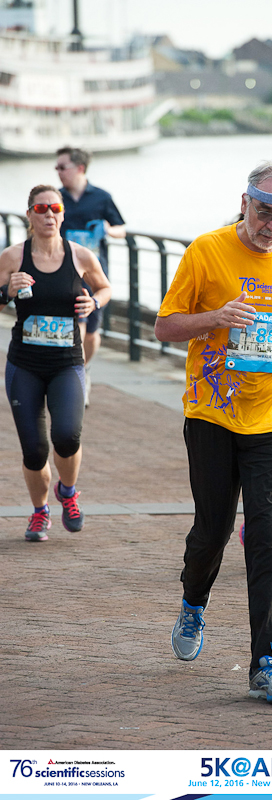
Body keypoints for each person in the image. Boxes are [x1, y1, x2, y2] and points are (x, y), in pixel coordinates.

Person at [155, 160, 272, 705]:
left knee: (269, 537)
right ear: (244, 204)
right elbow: (164, 326)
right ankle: (193, 603)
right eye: (265, 212)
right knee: (212, 531)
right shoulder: (206, 251)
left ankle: (266, 665)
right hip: (212, 414)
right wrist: (216, 317)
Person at [0, 185, 111, 542]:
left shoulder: (80, 256)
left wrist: (94, 302)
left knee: (66, 435)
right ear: (29, 215)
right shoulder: (13, 257)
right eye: (41, 208)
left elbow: (105, 288)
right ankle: (40, 511)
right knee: (34, 450)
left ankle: (68, 491)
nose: (49, 214)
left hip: (66, 363)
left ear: (63, 214)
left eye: (55, 208)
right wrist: (6, 292)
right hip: (25, 365)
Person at [55, 146, 125, 404]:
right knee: (76, 326)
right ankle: (75, 378)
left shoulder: (102, 197)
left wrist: (107, 229)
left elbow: (121, 229)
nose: (58, 171)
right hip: (64, 272)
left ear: (80, 168)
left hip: (95, 275)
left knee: (92, 332)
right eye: (56, 167)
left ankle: (84, 368)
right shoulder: (56, 198)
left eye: (62, 167)